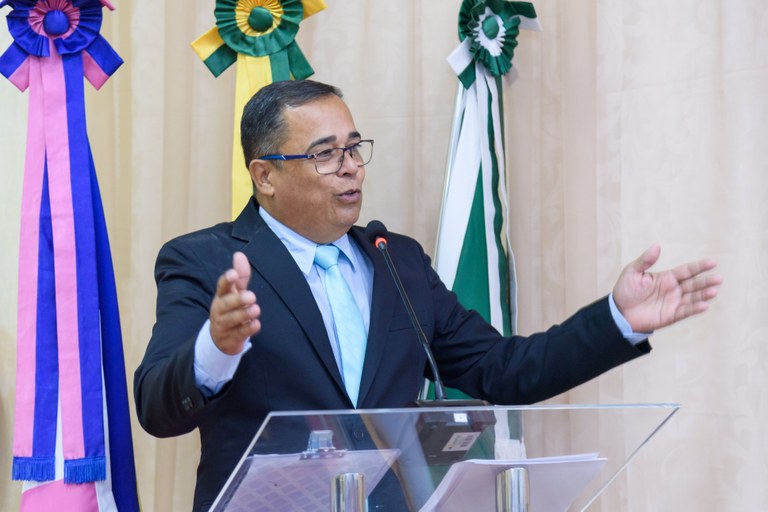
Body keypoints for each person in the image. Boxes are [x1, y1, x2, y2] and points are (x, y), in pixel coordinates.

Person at [134, 79, 722, 511]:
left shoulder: (397, 260)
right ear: (265, 175)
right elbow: (157, 408)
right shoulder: (204, 261)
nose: (351, 168)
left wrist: (618, 320)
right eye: (325, 154)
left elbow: (504, 369)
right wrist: (216, 348)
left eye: (354, 147)